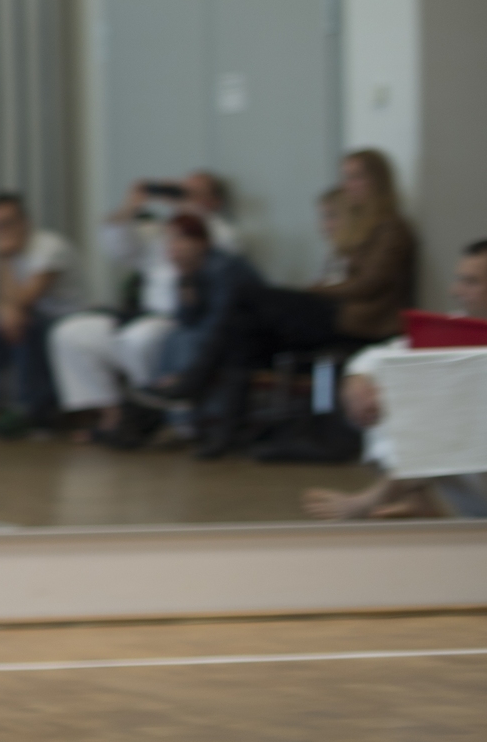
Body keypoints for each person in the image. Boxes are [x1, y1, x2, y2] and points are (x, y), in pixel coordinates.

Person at [175, 149, 419, 459]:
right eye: (346, 178)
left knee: (245, 295)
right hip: (338, 312)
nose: (349, 185)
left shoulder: (392, 229)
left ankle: (196, 385)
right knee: (244, 330)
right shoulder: (359, 230)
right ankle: (225, 431)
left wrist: (315, 291)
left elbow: (369, 284)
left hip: (358, 321)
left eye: (356, 177)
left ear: (377, 180)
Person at [50, 172, 240, 442]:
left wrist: (193, 213)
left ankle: (151, 415)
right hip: (141, 315)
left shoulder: (222, 231)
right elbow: (117, 246)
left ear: (214, 201)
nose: (184, 197)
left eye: (194, 192)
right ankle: (113, 414)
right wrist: (131, 205)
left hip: (176, 320)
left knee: (137, 339)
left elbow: (225, 247)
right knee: (71, 333)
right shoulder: (160, 233)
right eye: (182, 190)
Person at [304, 240, 487, 520]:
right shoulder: (460, 329)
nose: (455, 291)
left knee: (453, 400)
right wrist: (358, 379)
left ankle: (376, 498)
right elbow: (384, 356)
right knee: (390, 387)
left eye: (470, 282)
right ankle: (416, 497)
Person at [0, 193, 79, 434]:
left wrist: (3, 260)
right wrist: (7, 313)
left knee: (27, 329)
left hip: (69, 316)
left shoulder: (50, 248)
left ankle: (32, 410)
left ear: (25, 222)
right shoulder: (11, 251)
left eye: (7, 223)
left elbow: (26, 299)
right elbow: (4, 299)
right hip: (33, 314)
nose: (1, 231)